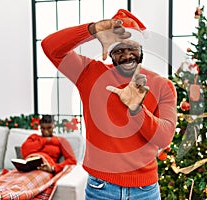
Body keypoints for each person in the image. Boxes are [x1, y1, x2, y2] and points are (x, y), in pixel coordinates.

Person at [41, 9, 177, 200]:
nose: (127, 55)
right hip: (101, 188)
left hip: (146, 191)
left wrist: (136, 109)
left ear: (141, 49)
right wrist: (92, 29)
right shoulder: (88, 73)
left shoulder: (162, 85)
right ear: (110, 52)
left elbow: (164, 138)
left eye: (132, 48)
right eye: (119, 50)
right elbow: (50, 47)